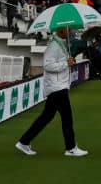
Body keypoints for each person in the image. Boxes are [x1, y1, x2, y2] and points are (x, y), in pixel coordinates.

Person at [16, 26, 88, 157]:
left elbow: (62, 62)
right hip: (57, 87)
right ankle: (71, 148)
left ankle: (24, 141)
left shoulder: (60, 45)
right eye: (69, 30)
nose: (71, 32)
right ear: (62, 31)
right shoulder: (54, 47)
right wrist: (67, 64)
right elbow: (48, 66)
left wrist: (68, 62)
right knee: (67, 118)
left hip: (58, 86)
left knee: (46, 116)